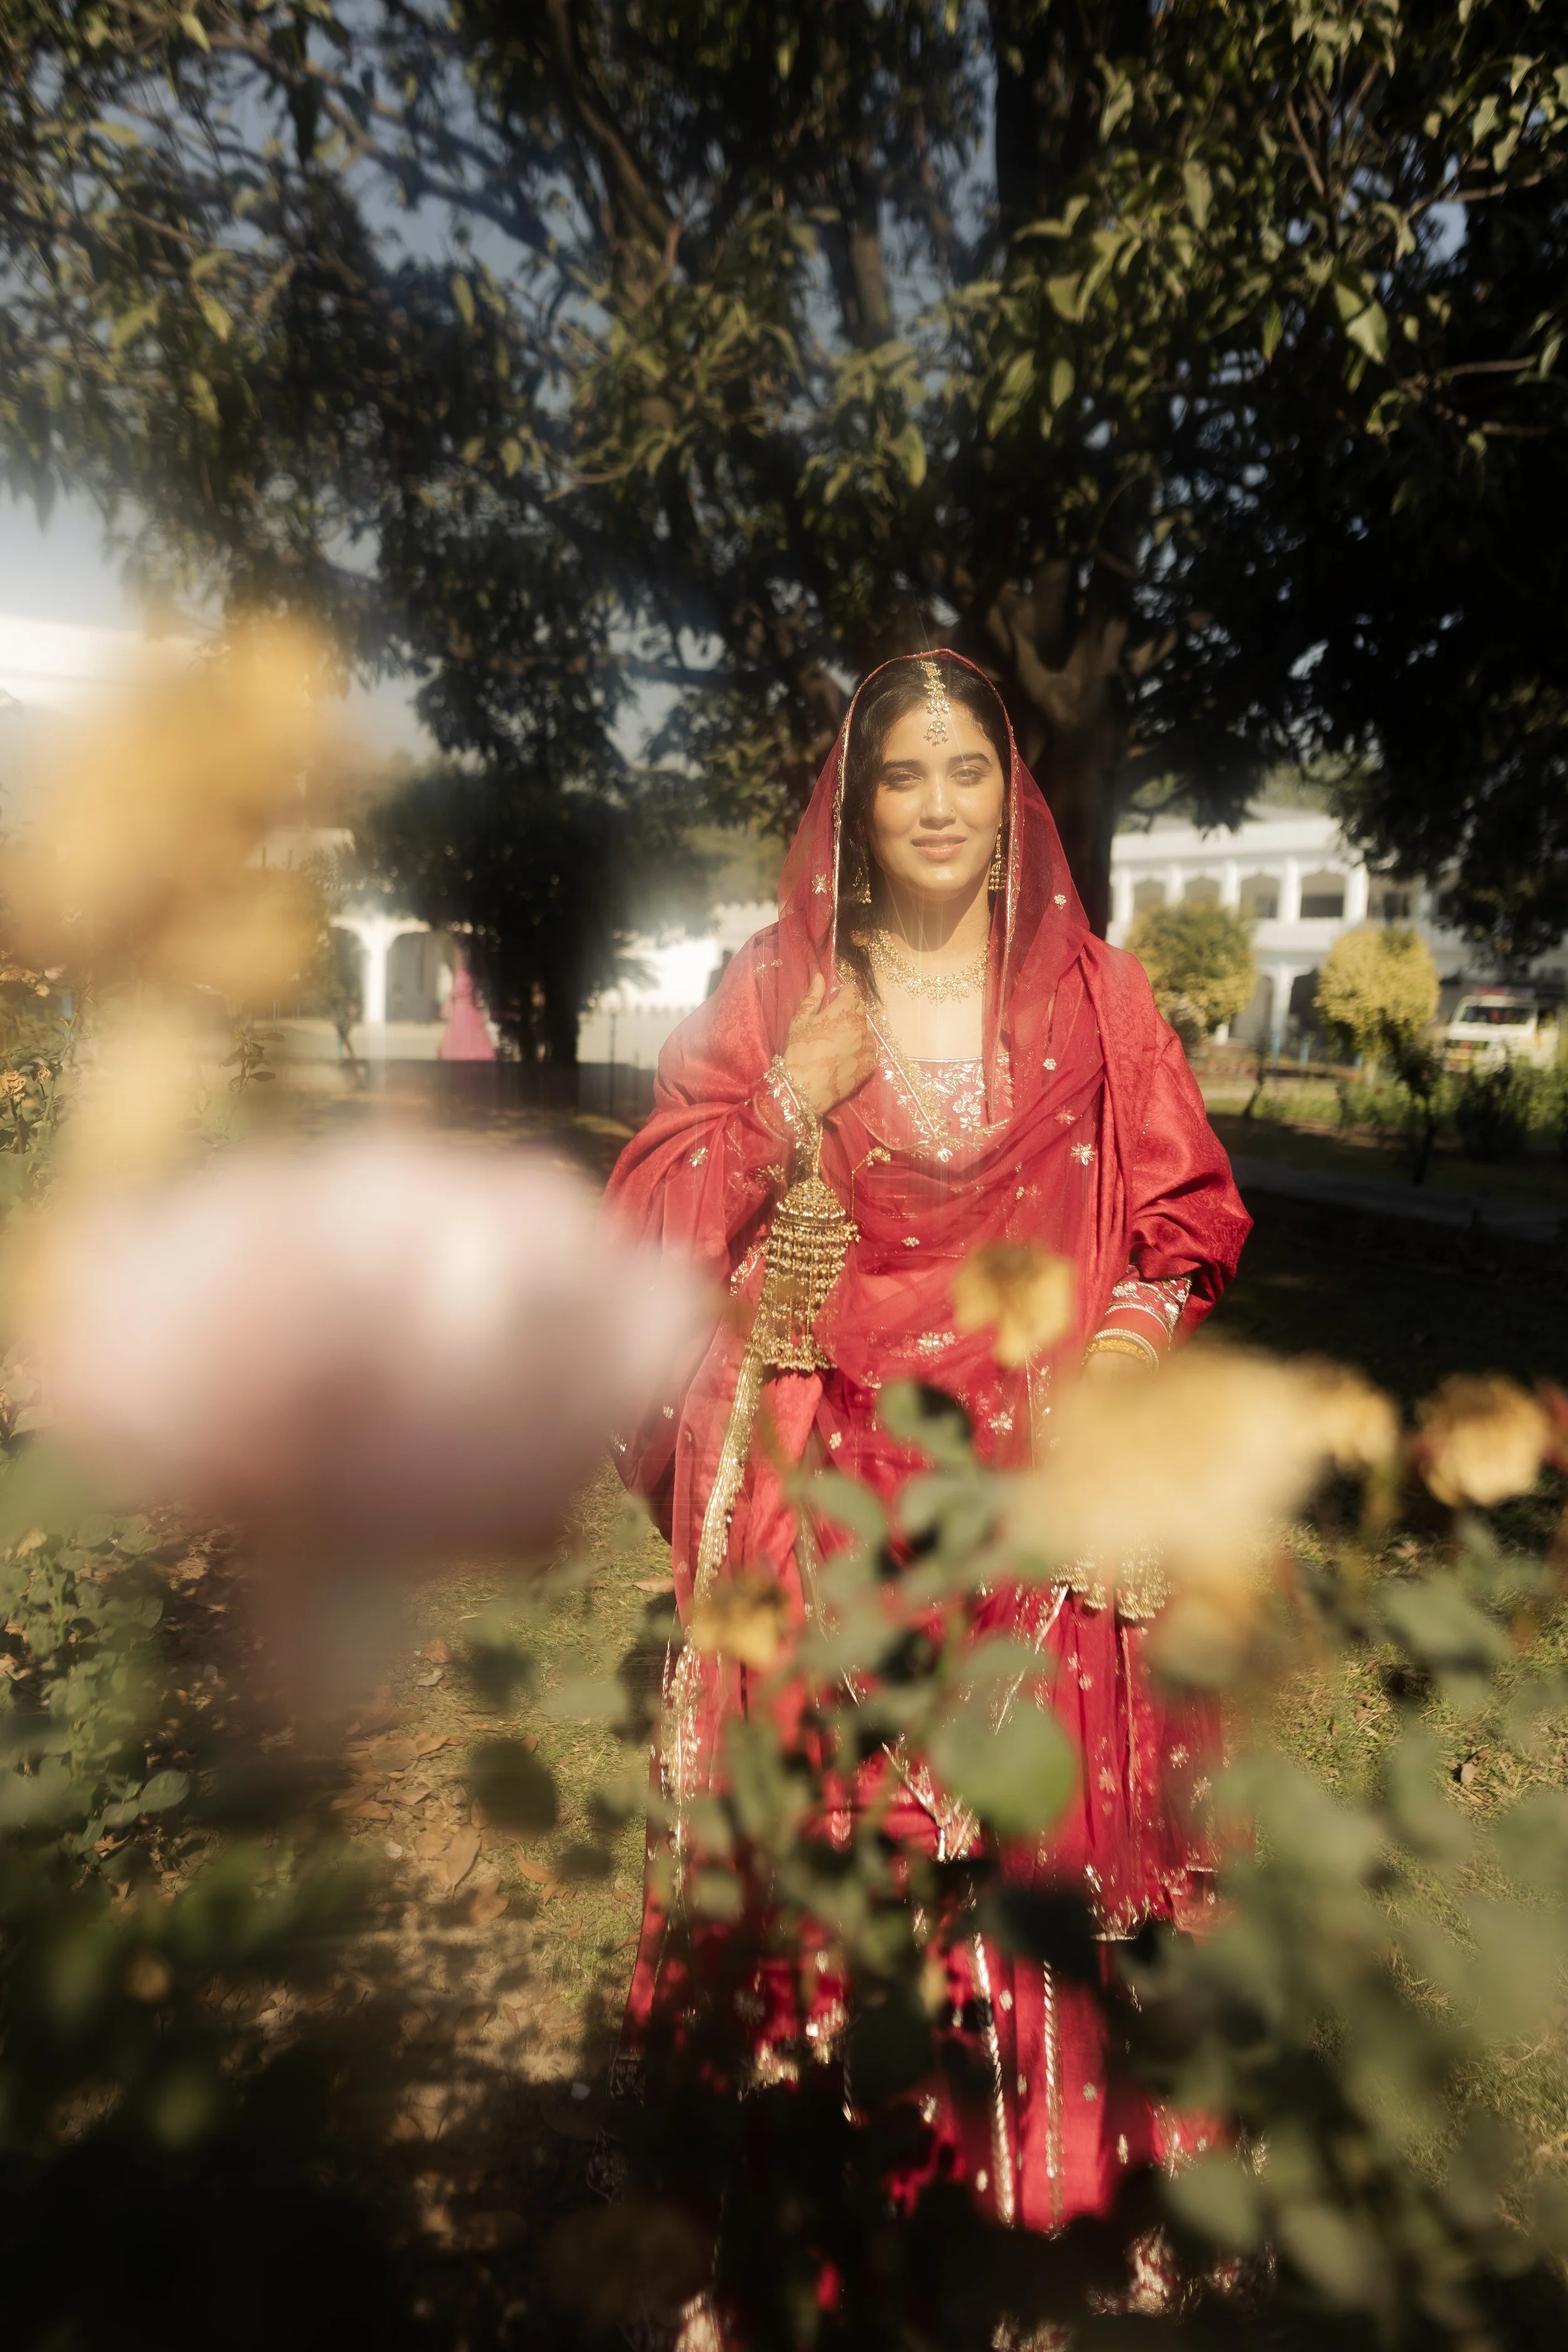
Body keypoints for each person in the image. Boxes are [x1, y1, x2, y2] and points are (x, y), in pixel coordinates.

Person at [603, 650, 1251, 2236]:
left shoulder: (1100, 999)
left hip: (1038, 1497)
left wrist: (1117, 1355)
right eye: (904, 773)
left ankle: (1035, 2217)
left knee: (1029, 1854)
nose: (938, 802)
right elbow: (639, 1232)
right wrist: (776, 1110)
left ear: (1011, 796)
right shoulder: (774, 993)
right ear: (854, 804)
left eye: (968, 768)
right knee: (839, 1845)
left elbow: (1178, 1231)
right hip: (830, 1488)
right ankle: (834, 2224)